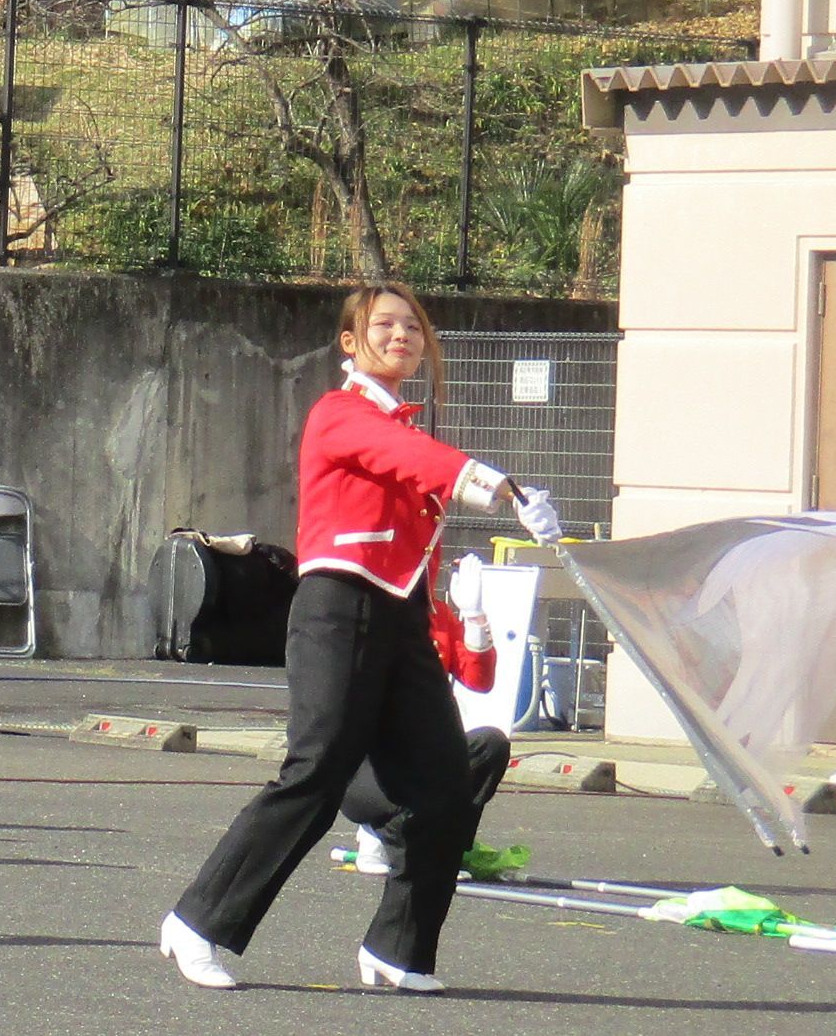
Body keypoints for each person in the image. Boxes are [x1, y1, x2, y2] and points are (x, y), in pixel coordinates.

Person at [162, 280, 560, 995]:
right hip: (337, 608)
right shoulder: (340, 414)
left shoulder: (404, 428)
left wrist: (460, 610)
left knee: (445, 786)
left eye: (413, 326)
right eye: (385, 325)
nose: (402, 335)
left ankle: (398, 949)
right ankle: (198, 922)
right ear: (351, 342)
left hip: (402, 618)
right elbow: (412, 462)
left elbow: (415, 497)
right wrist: (502, 489)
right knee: (315, 773)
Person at [341, 556, 513, 884]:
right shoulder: (368, 612)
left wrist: (475, 616)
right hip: (368, 765)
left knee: (490, 745)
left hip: (426, 752)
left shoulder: (439, 617)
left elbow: (480, 679)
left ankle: (445, 847)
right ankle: (381, 834)